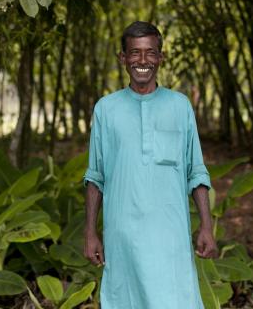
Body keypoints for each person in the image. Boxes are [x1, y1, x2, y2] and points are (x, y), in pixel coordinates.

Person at [83, 21, 217, 308]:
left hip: (171, 234)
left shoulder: (180, 106)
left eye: (150, 53)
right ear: (123, 58)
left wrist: (206, 226)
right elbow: (96, 176)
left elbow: (196, 171)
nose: (142, 61)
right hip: (123, 235)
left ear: (161, 57)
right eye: (134, 53)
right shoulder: (106, 109)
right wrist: (91, 231)